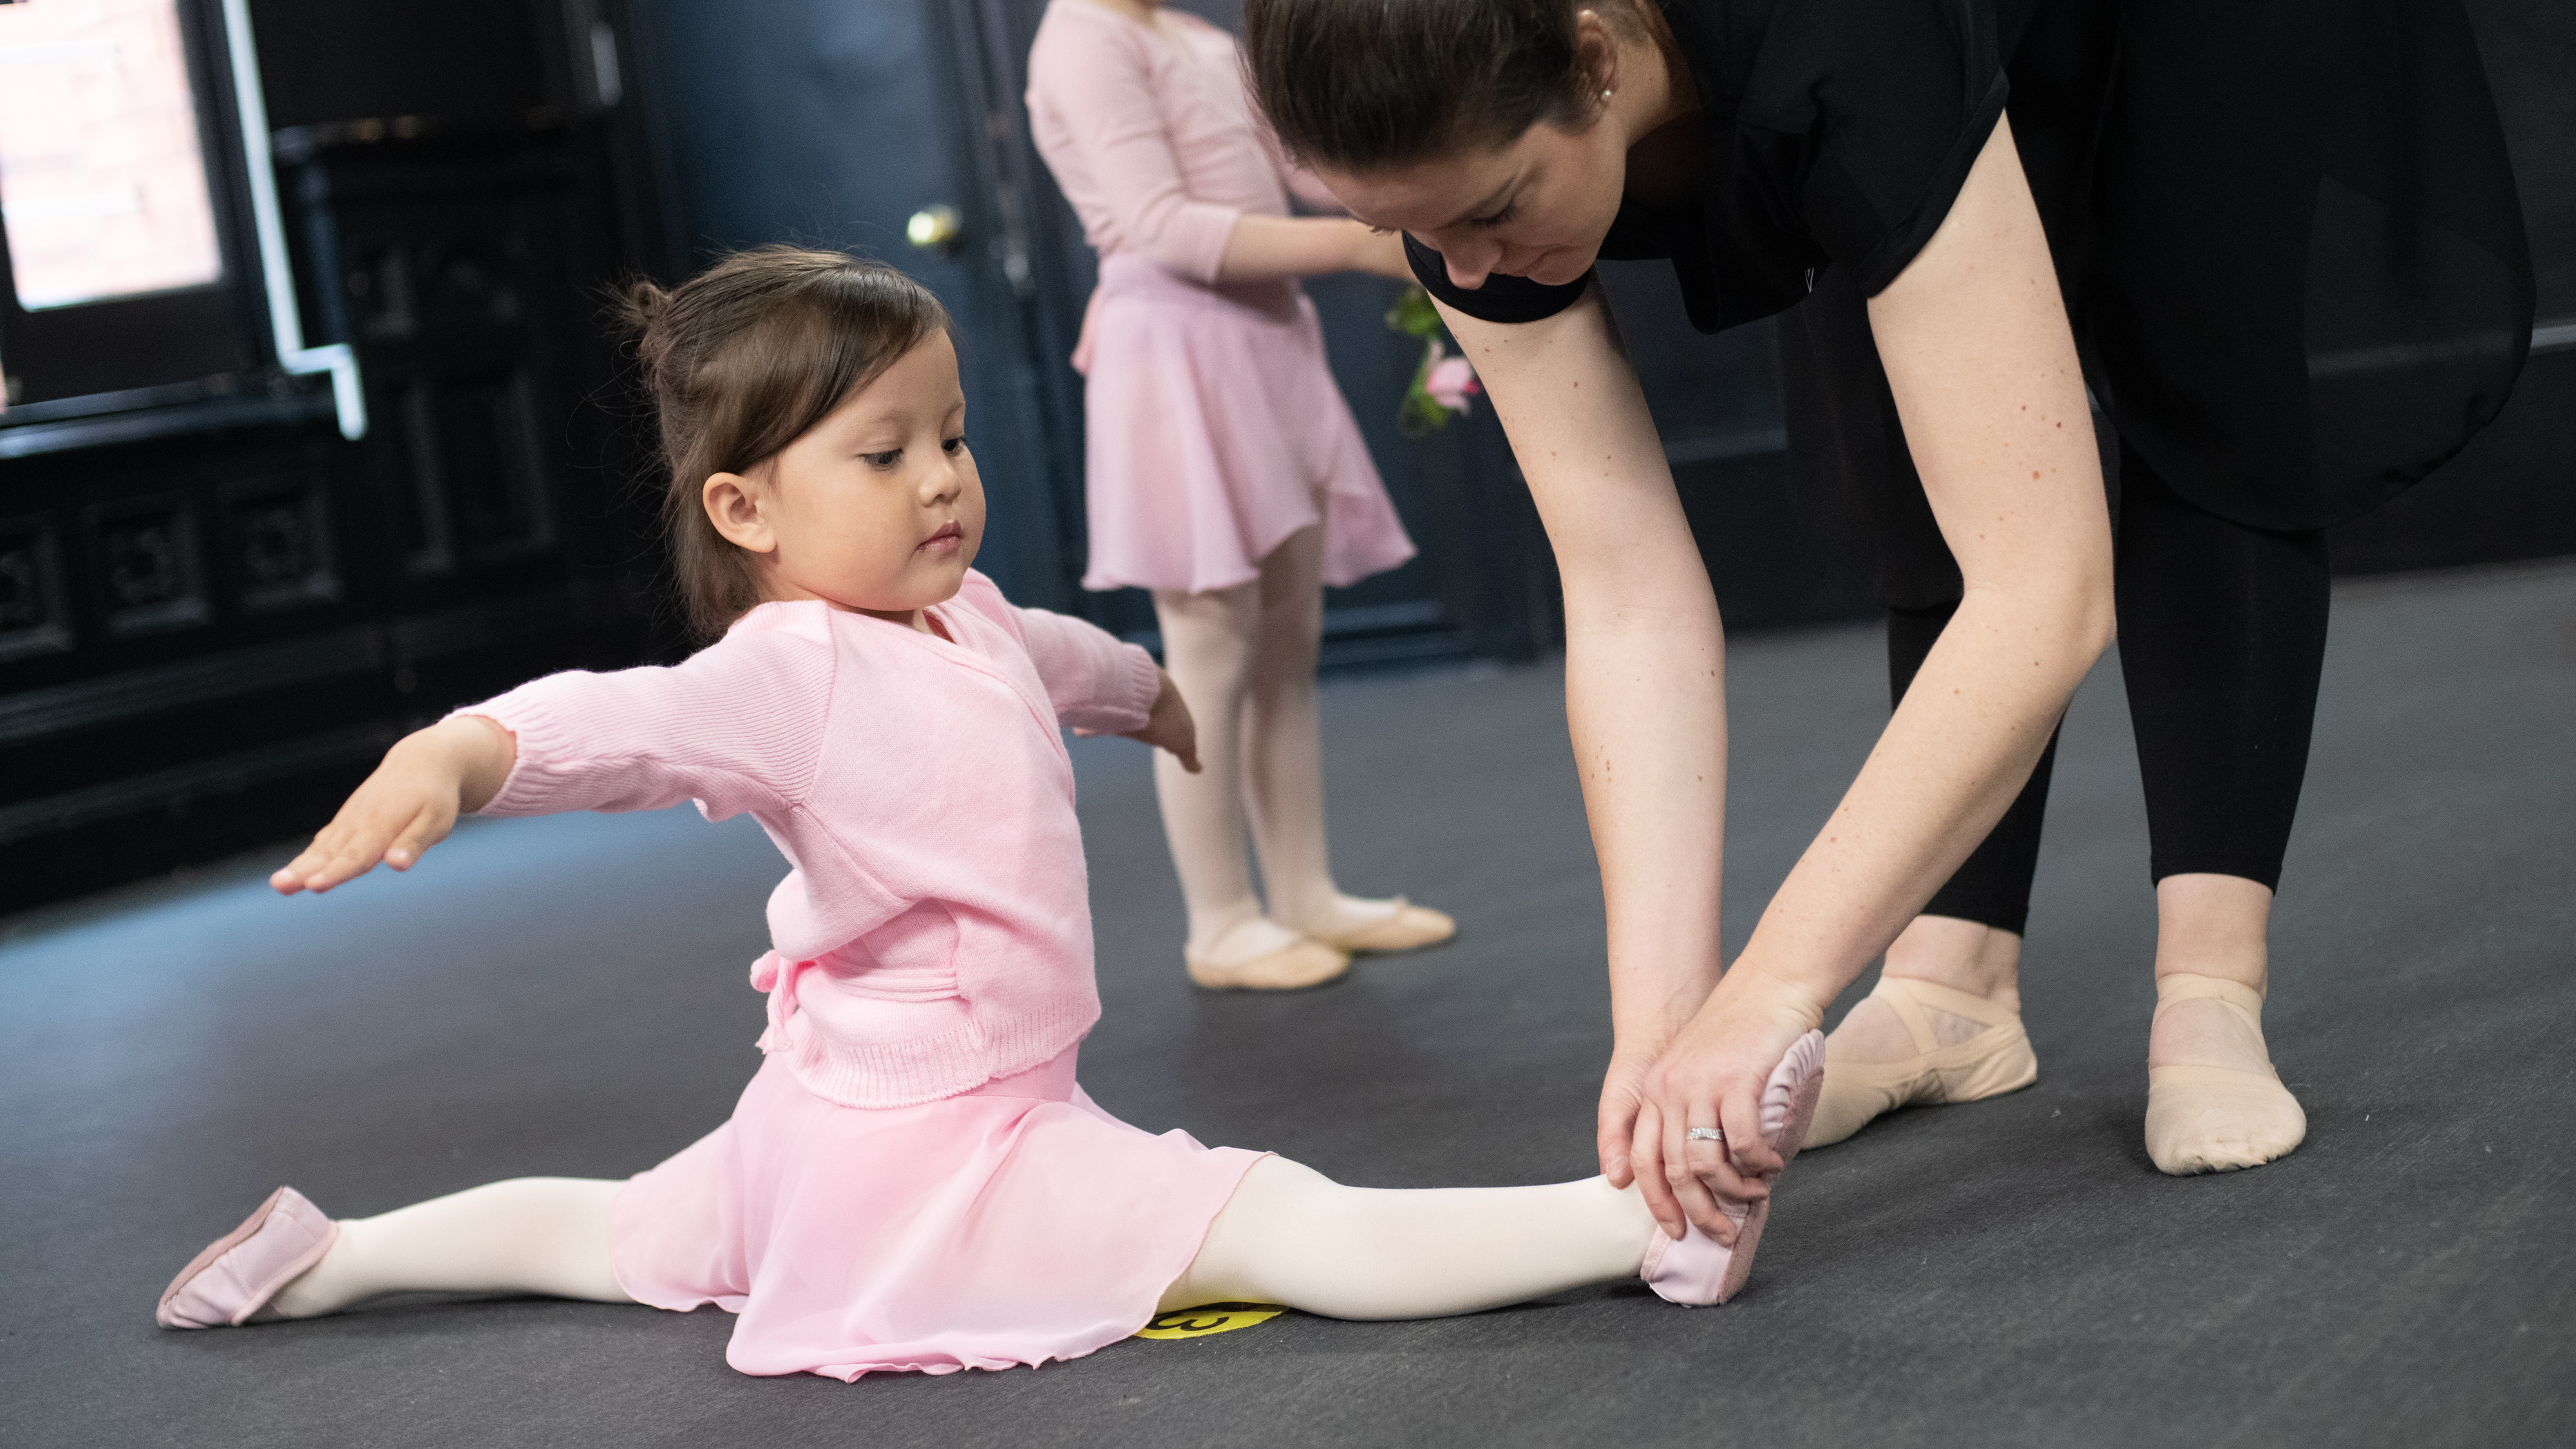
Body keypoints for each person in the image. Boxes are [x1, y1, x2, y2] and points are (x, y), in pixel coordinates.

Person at [150, 250, 1830, 1378]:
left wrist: (1153, 696)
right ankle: (1647, 1226)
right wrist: (458, 752)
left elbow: (1063, 658)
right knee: (1283, 1220)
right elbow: (617, 727)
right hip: (940, 1149)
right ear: (745, 508)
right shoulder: (787, 670)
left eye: (949, 436)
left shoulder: (961, 614)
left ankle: (336, 1251)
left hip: (842, 1120)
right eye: (883, 457)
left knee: (617, 1224)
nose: (945, 477)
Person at [1238, 0, 2530, 1232]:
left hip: (2162, 30)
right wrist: (1666, 1025)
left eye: (1491, 210)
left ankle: (2206, 988)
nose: (1463, 270)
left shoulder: (1836, 42)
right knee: (1903, 458)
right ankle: (1952, 982)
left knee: (2203, 374)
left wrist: (1776, 987)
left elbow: (2044, 584)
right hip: (1862, 54)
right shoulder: (1471, 159)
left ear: (1593, 63)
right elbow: (1625, 593)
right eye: (1414, 237)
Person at [1025, 0, 1455, 992]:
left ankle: (1304, 887)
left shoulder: (1203, 40)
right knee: (1211, 647)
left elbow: (1295, 169)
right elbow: (1160, 225)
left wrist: (1407, 195)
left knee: (1288, 640)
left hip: (1265, 343)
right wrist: (1356, 248)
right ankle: (1220, 916)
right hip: (1179, 350)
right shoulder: (1087, 38)